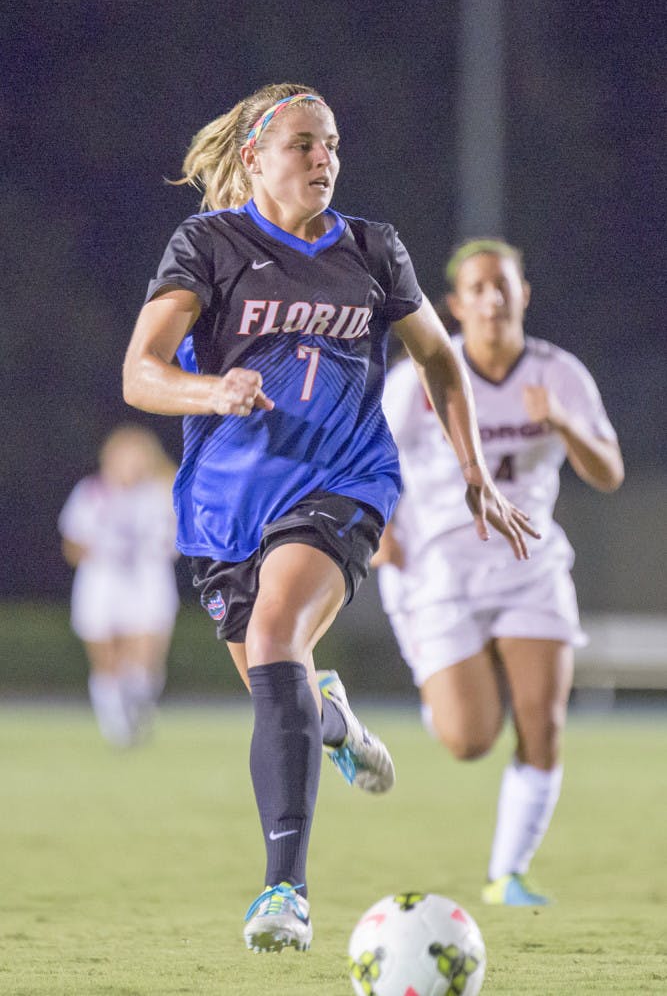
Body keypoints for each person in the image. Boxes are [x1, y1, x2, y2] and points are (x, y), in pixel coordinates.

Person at [121, 83, 537, 953]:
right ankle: (334, 720)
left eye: (333, 143)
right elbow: (141, 374)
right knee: (279, 684)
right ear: (255, 158)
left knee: (277, 636)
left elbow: (438, 361)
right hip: (228, 503)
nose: (324, 159)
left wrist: (472, 472)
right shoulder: (210, 243)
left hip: (344, 479)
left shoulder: (373, 249)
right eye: (304, 143)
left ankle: (285, 893)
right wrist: (209, 388)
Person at [375, 238, 624, 906]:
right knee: (467, 740)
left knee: (542, 724)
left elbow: (608, 473)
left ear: (523, 294)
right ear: (455, 305)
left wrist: (564, 422)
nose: (491, 298)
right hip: (440, 572)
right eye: (477, 288)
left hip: (528, 564)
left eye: (502, 285)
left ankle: (506, 873)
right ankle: (449, 693)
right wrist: (380, 529)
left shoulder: (557, 373)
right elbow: (370, 459)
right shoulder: (419, 376)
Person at [59, 424, 179, 747]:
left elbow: (179, 539)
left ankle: (137, 706)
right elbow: (72, 544)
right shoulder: (92, 492)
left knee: (145, 656)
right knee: (107, 657)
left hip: (147, 579)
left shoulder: (162, 491)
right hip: (102, 581)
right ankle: (115, 722)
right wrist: (103, 551)